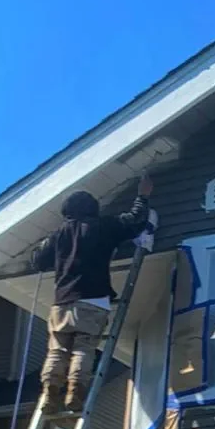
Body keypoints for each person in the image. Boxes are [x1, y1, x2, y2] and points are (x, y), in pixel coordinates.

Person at [28, 177, 154, 414]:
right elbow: (135, 221)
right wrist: (143, 196)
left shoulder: (59, 235)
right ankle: (75, 392)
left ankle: (49, 393)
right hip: (93, 300)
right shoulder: (102, 226)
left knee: (57, 350)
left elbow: (37, 261)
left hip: (61, 303)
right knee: (83, 348)